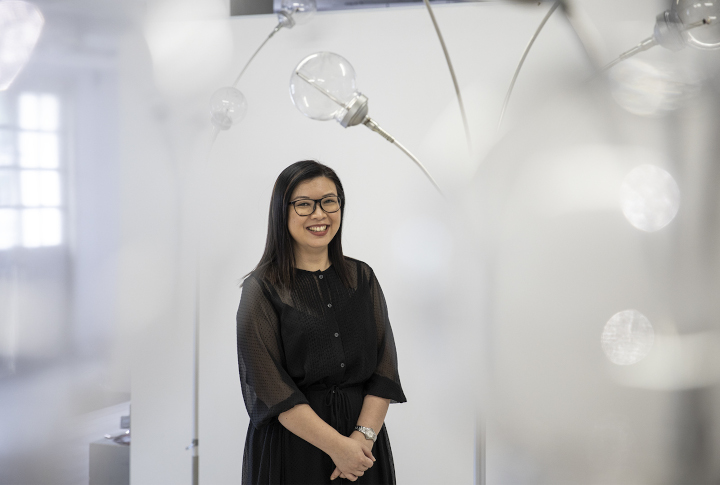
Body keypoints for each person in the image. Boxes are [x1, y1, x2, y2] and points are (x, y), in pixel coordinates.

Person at [236, 160, 406, 484]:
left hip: (362, 453)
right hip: (294, 450)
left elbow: (384, 370)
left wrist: (361, 440)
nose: (319, 214)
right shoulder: (260, 290)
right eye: (304, 204)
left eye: (329, 201)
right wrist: (338, 447)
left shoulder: (362, 277)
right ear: (281, 212)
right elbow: (271, 388)